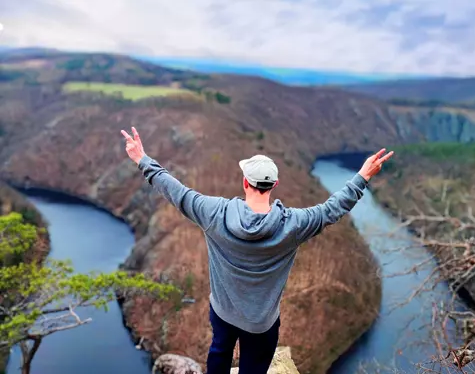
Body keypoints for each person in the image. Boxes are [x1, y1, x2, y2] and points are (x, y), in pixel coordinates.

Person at [121, 126, 394, 374]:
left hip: (223, 312)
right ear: (274, 185)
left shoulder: (214, 212)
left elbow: (175, 191)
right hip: (261, 323)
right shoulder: (293, 225)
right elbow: (333, 209)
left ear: (245, 183)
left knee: (219, 352)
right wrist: (362, 177)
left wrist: (142, 159)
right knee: (255, 366)